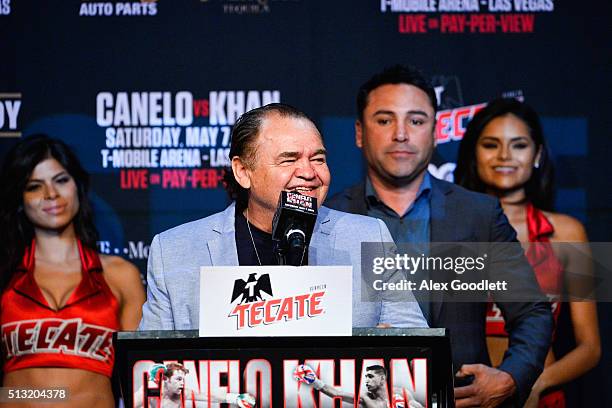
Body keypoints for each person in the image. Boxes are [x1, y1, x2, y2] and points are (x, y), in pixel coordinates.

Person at [326, 65, 553, 407]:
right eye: (384, 120)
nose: (401, 134)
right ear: (359, 132)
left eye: (416, 121)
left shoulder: (479, 214)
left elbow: (532, 311)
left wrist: (510, 377)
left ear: (435, 132)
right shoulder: (326, 218)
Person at [138, 103, 427, 331]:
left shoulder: (366, 237)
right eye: (289, 159)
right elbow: (152, 372)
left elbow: (412, 342)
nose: (309, 172)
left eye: (318, 159)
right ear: (243, 171)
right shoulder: (175, 251)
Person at [454, 98, 601, 408]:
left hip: (539, 396)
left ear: (537, 155)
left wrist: (532, 383)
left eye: (518, 145)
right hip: (465, 394)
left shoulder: (569, 232)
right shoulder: (449, 228)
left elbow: (590, 348)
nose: (504, 156)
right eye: (491, 145)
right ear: (474, 154)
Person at [0, 135, 145, 407]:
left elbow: (138, 382)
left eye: (61, 180)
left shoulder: (119, 275)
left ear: (77, 185)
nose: (51, 194)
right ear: (20, 198)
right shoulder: (6, 274)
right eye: (34, 186)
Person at [294, 363, 424, 408]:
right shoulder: (366, 400)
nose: (367, 381)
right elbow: (337, 394)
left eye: (371, 377)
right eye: (366, 377)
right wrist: (315, 382)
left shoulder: (401, 393)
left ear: (382, 378)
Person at [133, 362, 256, 408]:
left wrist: (233, 398)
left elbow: (208, 397)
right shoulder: (149, 390)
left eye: (183, 379)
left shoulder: (182, 393)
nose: (182, 383)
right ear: (166, 379)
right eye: (178, 379)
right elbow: (130, 403)